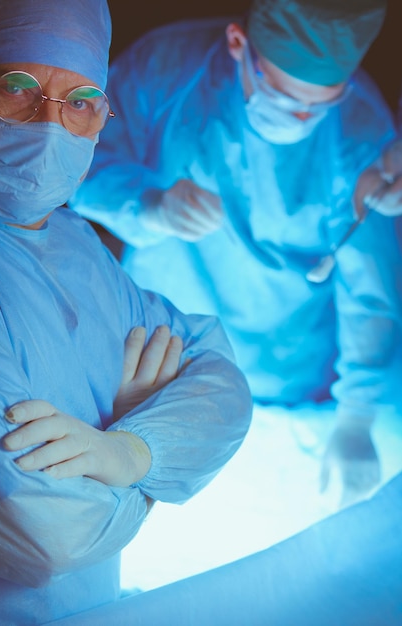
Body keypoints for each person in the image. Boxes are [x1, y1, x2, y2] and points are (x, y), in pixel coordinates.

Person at [70, 0, 402, 509]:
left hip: (291, 375)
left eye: (319, 105)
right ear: (237, 44)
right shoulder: (167, 66)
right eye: (283, 94)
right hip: (163, 361)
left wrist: (356, 419)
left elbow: (370, 292)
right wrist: (147, 204)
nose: (299, 116)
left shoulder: (361, 129)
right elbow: (77, 161)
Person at [0, 2, 253, 624]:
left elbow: (219, 376)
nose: (49, 124)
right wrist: (150, 471)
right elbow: (47, 535)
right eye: (18, 87)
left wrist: (131, 449)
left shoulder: (76, 244)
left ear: (104, 116)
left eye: (80, 101)